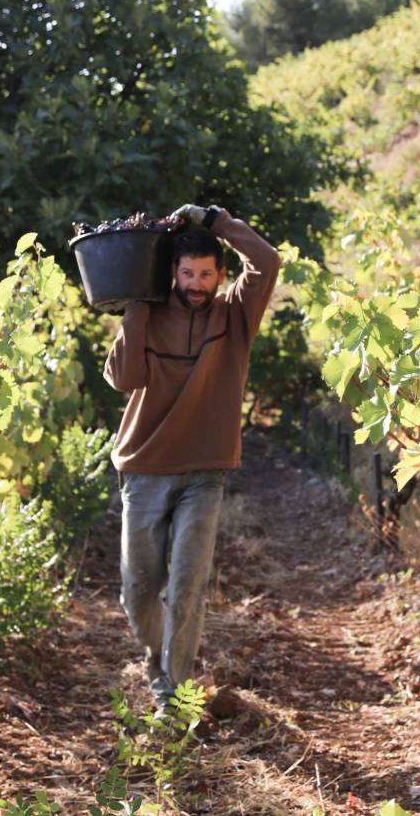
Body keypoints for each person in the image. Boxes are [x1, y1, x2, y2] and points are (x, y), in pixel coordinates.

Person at [103, 204, 280, 709]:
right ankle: (154, 658)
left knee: (186, 588)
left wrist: (215, 220)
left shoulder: (236, 316)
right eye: (187, 273)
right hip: (144, 468)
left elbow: (266, 260)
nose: (197, 283)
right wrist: (137, 304)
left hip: (205, 474)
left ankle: (171, 693)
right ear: (173, 275)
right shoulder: (148, 312)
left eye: (206, 273)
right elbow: (124, 379)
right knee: (138, 593)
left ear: (221, 275)